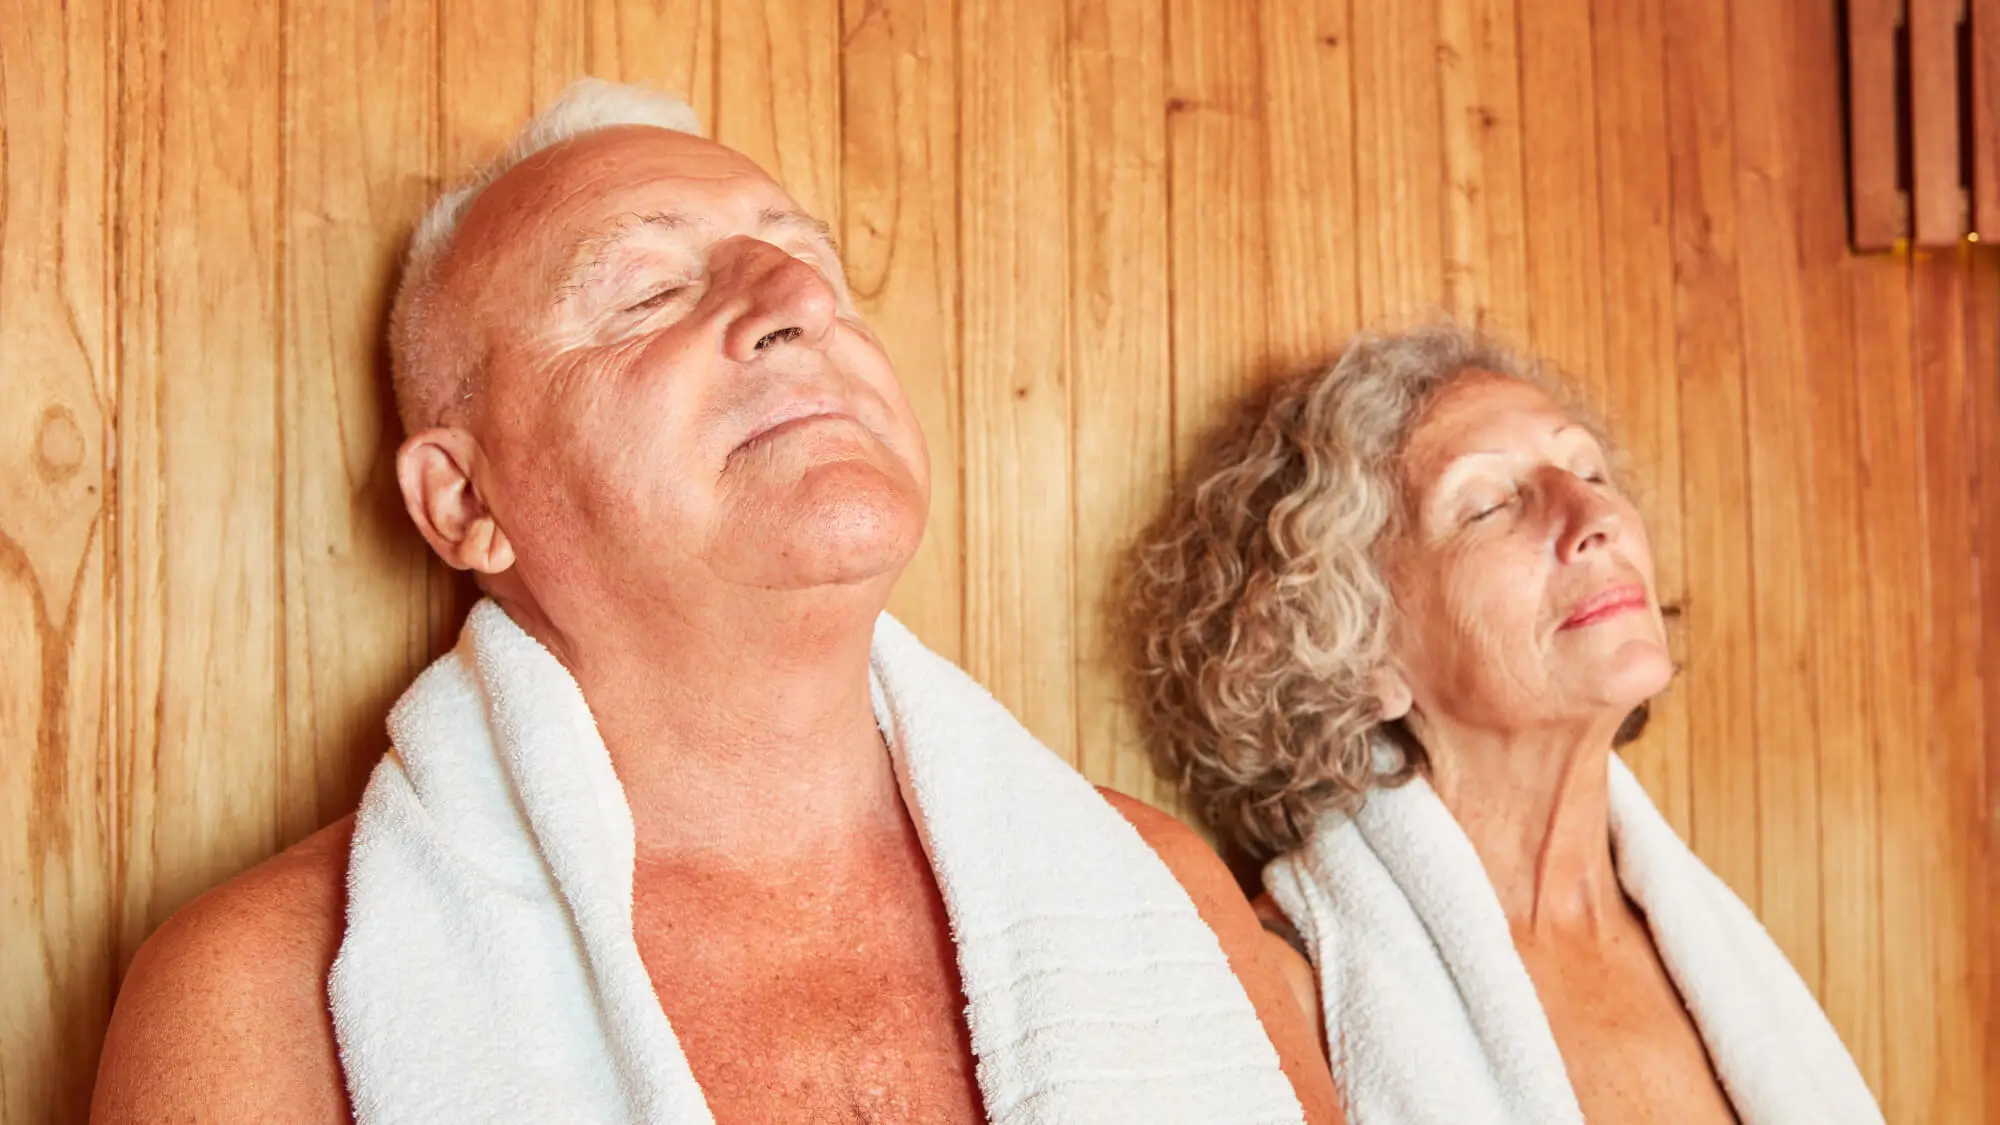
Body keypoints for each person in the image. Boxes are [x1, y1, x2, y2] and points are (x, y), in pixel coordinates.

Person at [91, 80, 1335, 1124]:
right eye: (643, 293)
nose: (799, 304)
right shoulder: (259, 1001)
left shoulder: (1161, 891)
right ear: (466, 501)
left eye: (811, 265)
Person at [1124, 323, 1883, 1125]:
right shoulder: (1298, 997)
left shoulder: (1722, 961)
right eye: (1487, 504)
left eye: (1588, 469)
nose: (1595, 513)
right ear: (1355, 651)